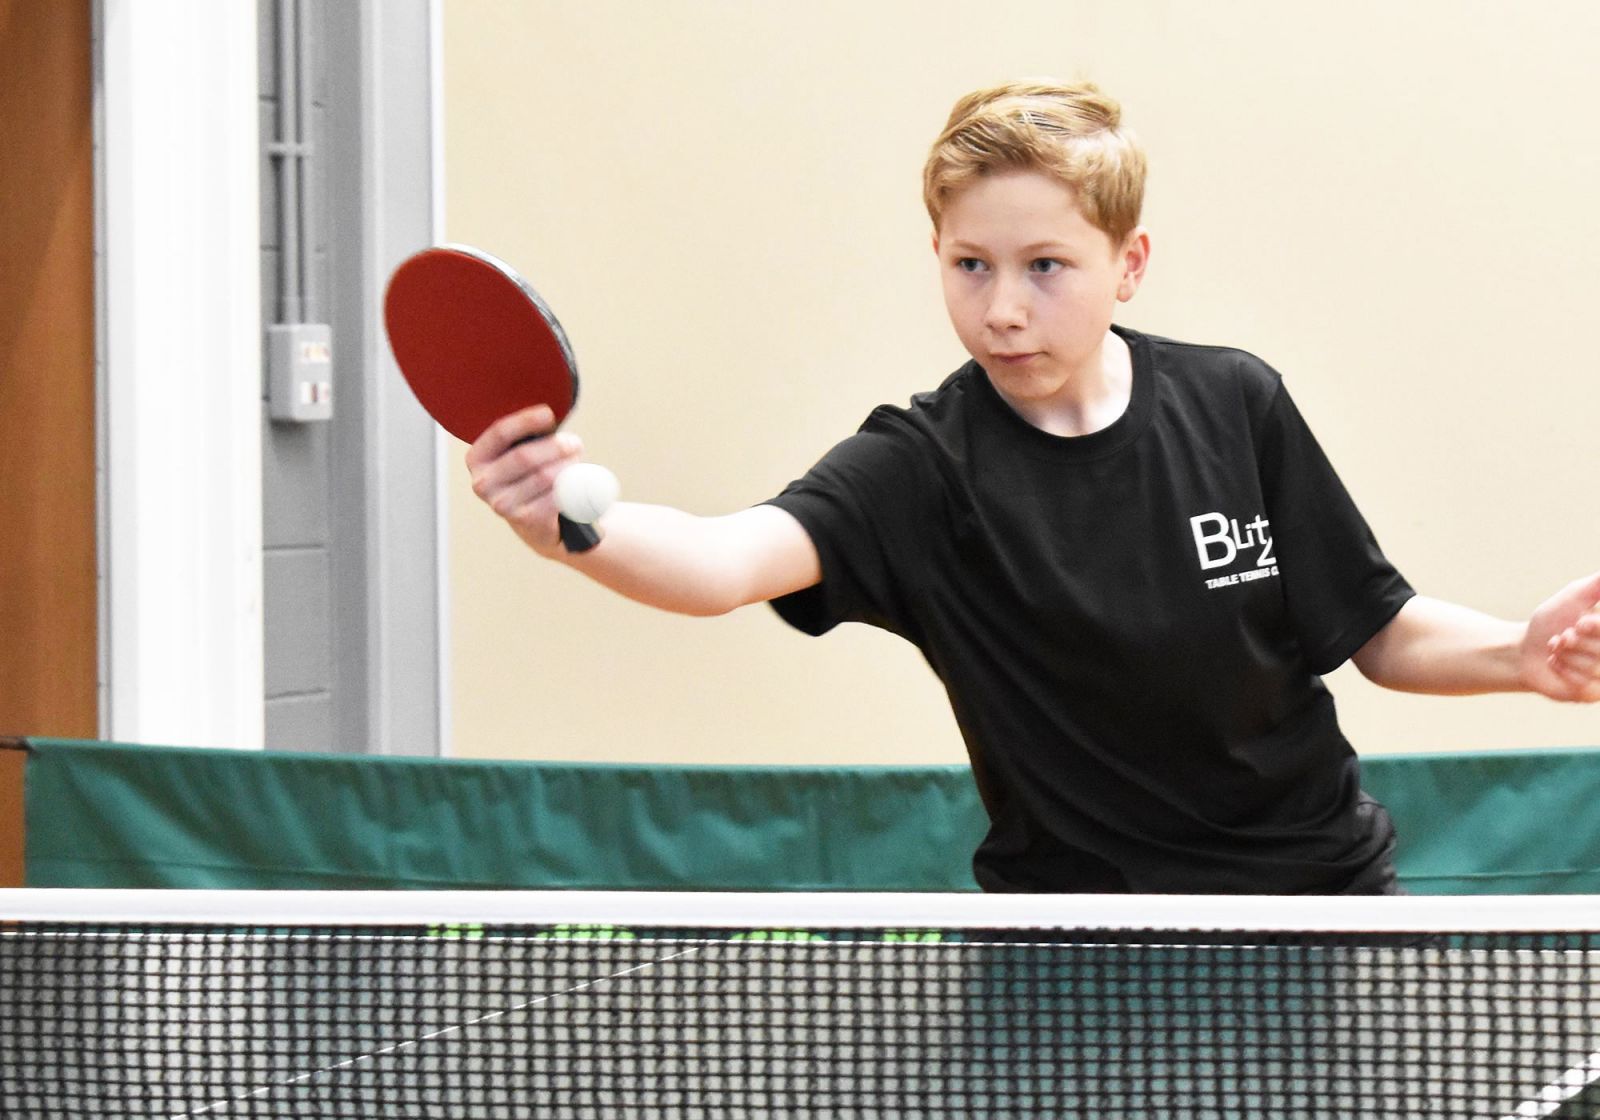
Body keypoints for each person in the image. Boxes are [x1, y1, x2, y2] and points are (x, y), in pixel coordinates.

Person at [465, 79, 1600, 895]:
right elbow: (721, 562)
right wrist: (567, 523)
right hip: (1067, 931)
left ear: (1129, 264)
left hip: (1312, 906)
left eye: (1043, 266)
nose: (1001, 308)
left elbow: (1374, 629)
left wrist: (1519, 655)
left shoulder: (1235, 406)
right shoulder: (919, 467)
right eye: (970, 266)